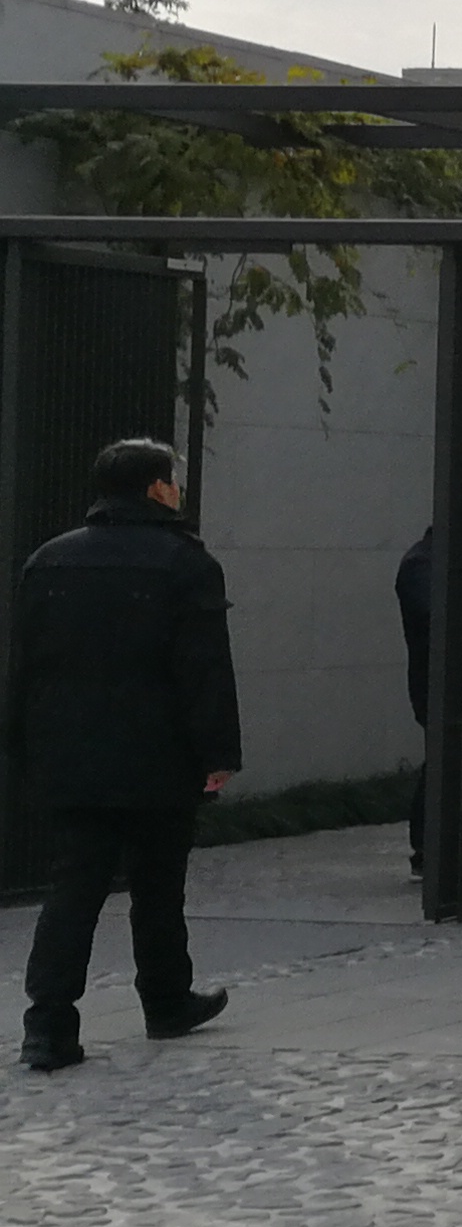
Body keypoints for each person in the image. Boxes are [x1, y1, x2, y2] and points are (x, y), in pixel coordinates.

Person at [13, 437, 238, 1073]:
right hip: (158, 754)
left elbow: (25, 666)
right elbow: (203, 670)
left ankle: (48, 1025)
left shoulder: (49, 560)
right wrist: (217, 753)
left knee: (73, 886)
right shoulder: (186, 563)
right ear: (157, 488)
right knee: (159, 884)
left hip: (71, 754)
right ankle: (166, 1001)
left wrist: (23, 744)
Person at [395, 524, 434, 875]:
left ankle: (427, 845)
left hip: (438, 680)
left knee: (445, 758)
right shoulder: (420, 564)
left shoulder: (424, 561)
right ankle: (425, 845)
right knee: (444, 757)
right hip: (435, 683)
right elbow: (433, 614)